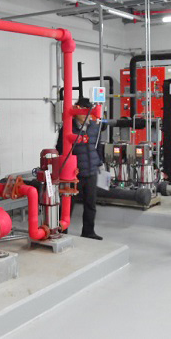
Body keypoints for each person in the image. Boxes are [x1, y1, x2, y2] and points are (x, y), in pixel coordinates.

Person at [56, 97, 103, 240]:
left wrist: (99, 162)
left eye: (88, 112)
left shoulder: (94, 127)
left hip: (91, 171)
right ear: (77, 111)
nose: (86, 115)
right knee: (68, 204)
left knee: (91, 204)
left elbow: (98, 145)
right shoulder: (68, 128)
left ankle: (88, 231)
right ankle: (61, 231)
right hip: (74, 173)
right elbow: (60, 148)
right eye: (83, 111)